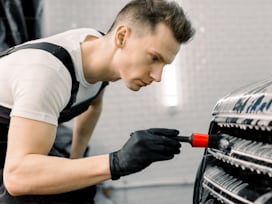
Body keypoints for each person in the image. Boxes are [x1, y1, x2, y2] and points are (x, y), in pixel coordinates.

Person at [0, 0, 195, 202]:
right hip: (13, 160)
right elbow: (17, 178)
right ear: (121, 37)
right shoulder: (49, 73)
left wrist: (76, 157)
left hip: (13, 139)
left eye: (165, 65)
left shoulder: (98, 53)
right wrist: (117, 162)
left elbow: (92, 105)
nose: (158, 76)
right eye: (154, 58)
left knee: (81, 189)